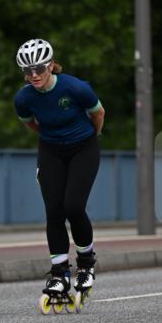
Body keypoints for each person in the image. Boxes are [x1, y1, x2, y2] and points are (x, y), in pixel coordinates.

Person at [13, 37, 105, 302]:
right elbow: (30, 123)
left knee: (73, 207)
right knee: (54, 210)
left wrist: (92, 137)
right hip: (51, 150)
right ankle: (59, 273)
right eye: (27, 71)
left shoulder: (76, 88)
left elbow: (99, 113)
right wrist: (51, 137)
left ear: (51, 66)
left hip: (83, 148)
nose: (33, 75)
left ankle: (86, 264)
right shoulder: (23, 98)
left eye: (38, 69)